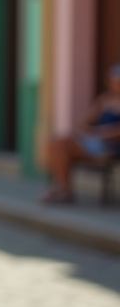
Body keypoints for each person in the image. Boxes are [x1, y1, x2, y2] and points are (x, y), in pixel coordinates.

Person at [41, 64, 120, 203]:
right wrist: (90, 132)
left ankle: (63, 189)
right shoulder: (104, 101)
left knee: (61, 146)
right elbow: (83, 122)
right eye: (114, 81)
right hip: (95, 142)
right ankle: (63, 187)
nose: (116, 85)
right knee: (55, 143)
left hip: (111, 146)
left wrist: (99, 135)